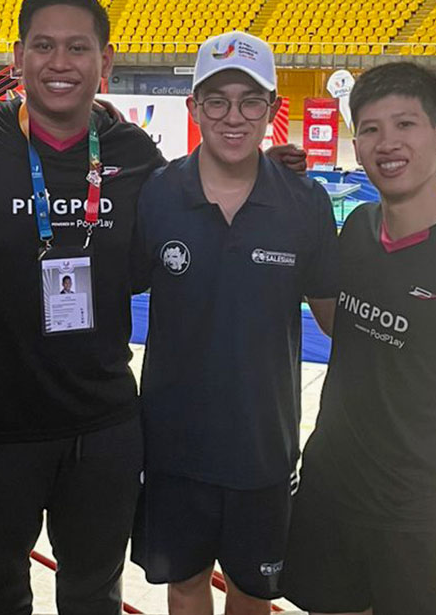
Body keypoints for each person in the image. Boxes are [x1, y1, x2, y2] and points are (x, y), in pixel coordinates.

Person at [0, 0, 162, 615]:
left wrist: (271, 173)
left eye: (78, 48)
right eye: (44, 47)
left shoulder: (134, 152)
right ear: (18, 57)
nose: (60, 64)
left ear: (105, 61)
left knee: (93, 595)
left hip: (103, 424)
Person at [283, 62, 436, 615]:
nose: (387, 143)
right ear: (356, 143)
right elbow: (341, 325)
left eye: (405, 125)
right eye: (370, 129)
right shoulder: (358, 230)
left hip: (422, 523)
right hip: (330, 499)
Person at [130, 31, 339, 615]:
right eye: (216, 100)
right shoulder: (157, 196)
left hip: (263, 451)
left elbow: (339, 323)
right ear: (194, 108)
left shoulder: (305, 204)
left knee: (253, 591)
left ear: (272, 111)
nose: (233, 116)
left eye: (250, 101)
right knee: (186, 584)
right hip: (173, 449)